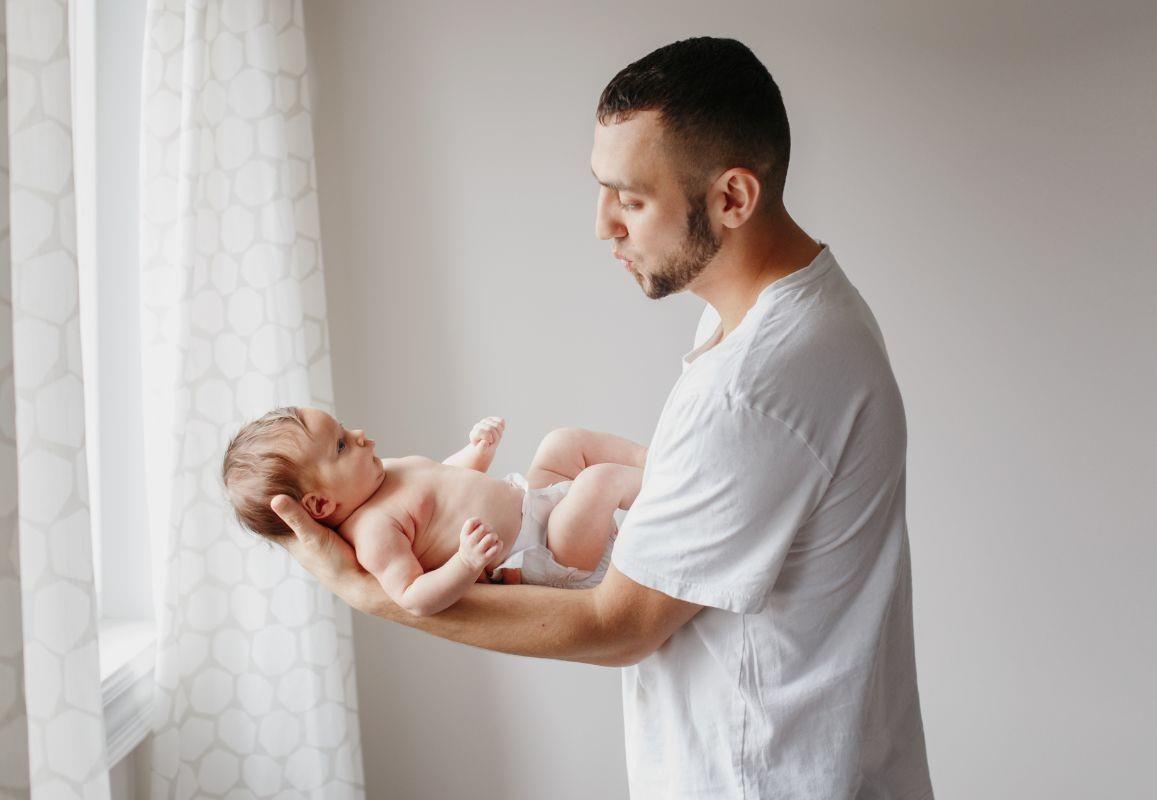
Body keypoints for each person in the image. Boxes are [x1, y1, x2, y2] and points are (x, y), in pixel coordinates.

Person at [271, 36, 934, 799]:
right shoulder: (804, 314)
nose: (602, 225)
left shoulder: (751, 383)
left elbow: (618, 625)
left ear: (733, 199)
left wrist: (366, 594)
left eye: (631, 198)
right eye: (602, 190)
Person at [221, 407, 645, 614]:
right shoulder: (374, 531)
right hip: (546, 550)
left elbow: (446, 481)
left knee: (562, 442)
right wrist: (464, 563)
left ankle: (657, 457)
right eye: (341, 445)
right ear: (319, 504)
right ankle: (682, 484)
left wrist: (478, 451)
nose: (360, 434)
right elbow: (412, 597)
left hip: (534, 500)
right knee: (598, 482)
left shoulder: (382, 473)